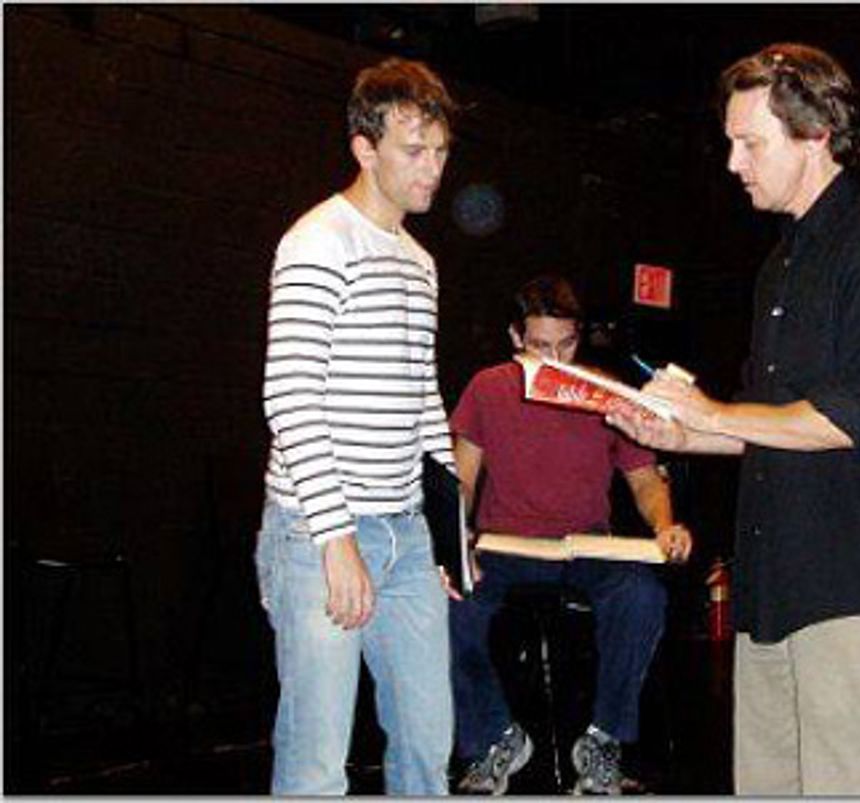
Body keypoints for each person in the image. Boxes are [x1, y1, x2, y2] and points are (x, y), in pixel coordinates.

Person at [607, 43, 860, 795]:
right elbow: (765, 423)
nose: (733, 162)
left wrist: (714, 410)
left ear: (816, 134)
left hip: (854, 587)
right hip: (773, 590)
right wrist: (679, 431)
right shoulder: (778, 267)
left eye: (750, 141)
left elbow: (856, 413)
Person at [255, 57, 459, 795]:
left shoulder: (420, 261)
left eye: (440, 151)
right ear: (364, 148)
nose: (431, 169)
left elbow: (423, 400)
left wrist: (447, 530)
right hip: (319, 534)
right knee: (316, 764)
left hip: (407, 535)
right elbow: (291, 395)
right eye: (414, 150)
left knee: (427, 751)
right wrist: (335, 538)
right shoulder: (318, 242)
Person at [449, 275, 693, 795]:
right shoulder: (488, 388)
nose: (555, 359)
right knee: (444, 602)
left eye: (566, 345)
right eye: (540, 347)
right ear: (516, 338)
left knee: (642, 595)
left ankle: (602, 741)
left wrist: (665, 524)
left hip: (584, 547)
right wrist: (457, 537)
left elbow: (645, 479)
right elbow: (462, 479)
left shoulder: (600, 393)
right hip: (503, 547)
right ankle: (496, 738)